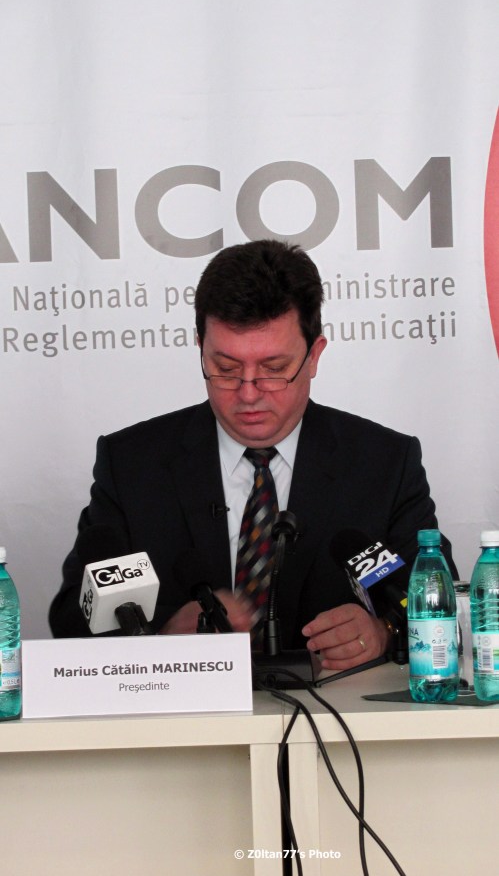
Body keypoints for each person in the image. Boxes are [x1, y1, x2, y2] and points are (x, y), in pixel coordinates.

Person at [49, 239, 456, 670]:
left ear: (314, 356)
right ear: (200, 348)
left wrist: (384, 630)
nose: (248, 393)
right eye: (225, 368)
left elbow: (437, 599)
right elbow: (72, 616)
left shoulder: (384, 463)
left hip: (337, 708)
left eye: (274, 369)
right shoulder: (132, 464)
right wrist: (161, 634)